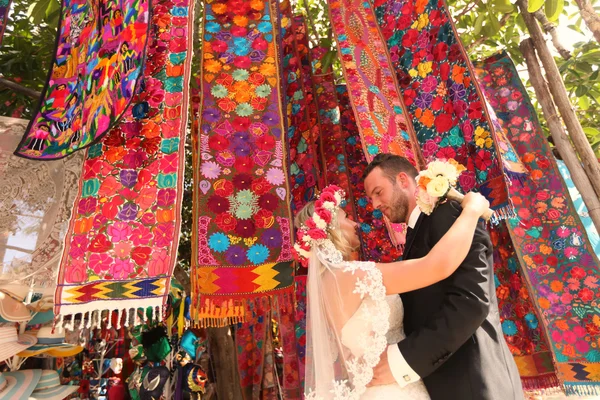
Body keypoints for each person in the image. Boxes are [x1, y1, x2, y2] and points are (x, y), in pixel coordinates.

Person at [294, 183, 490, 399]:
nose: (355, 223)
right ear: (332, 229)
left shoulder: (325, 285)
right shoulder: (352, 275)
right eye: (346, 217)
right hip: (394, 389)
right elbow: (435, 266)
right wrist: (472, 210)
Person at [363, 153, 524, 400]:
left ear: (403, 180)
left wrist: (405, 360)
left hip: (476, 381)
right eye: (370, 198)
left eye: (378, 192)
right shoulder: (418, 231)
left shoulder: (448, 215)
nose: (374, 205)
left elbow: (471, 302)